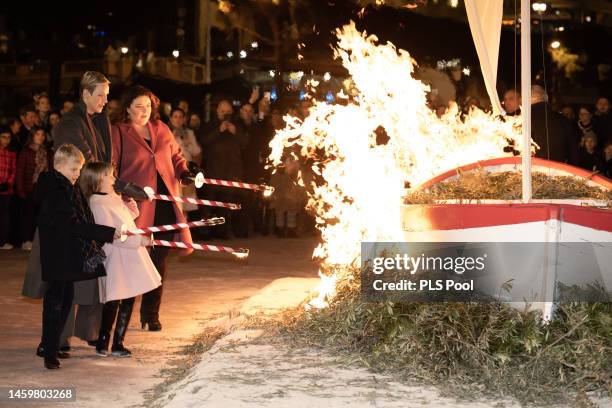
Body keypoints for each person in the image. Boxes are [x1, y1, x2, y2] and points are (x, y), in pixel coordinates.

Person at [111, 85, 193, 331]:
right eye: (138, 106)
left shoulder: (161, 128)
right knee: (136, 260)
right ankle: (120, 317)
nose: (144, 111)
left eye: (147, 106)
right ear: (127, 109)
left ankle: (151, 313)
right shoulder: (119, 131)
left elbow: (176, 156)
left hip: (165, 204)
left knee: (159, 260)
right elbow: (112, 165)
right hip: (137, 207)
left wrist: (185, 172)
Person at [36, 144, 118, 369]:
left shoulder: (67, 187)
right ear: (59, 165)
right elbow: (72, 224)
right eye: (74, 169)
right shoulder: (55, 191)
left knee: (63, 302)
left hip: (66, 256)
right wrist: (107, 233)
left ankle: (47, 346)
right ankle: (49, 351)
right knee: (56, 304)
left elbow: (81, 219)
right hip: (58, 257)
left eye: (79, 169)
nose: (77, 174)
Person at [80, 162, 161, 357]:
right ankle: (103, 341)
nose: (114, 178)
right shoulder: (96, 203)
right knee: (114, 298)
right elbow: (113, 235)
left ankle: (118, 342)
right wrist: (140, 241)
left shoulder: (113, 196)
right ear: (99, 180)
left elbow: (128, 219)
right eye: (110, 176)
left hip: (130, 255)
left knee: (130, 296)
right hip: (116, 256)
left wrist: (130, 204)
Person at [197, 100, 247, 238]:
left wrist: (235, 132)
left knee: (226, 204)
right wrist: (218, 131)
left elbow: (245, 143)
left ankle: (223, 231)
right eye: (222, 111)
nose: (225, 114)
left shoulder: (236, 125)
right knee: (209, 203)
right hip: (214, 170)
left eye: (228, 112)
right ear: (217, 111)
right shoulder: (209, 125)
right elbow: (203, 142)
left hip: (232, 171)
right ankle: (207, 232)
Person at [16, 127, 53, 251]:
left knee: (43, 215)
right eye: (38, 134)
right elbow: (20, 171)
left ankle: (41, 240)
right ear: (32, 135)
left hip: (44, 188)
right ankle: (27, 240)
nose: (40, 137)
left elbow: (51, 169)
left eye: (42, 134)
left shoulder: (47, 151)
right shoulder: (26, 151)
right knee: (29, 216)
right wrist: (20, 189)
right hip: (30, 187)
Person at [530, 85, 575, 163]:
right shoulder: (563, 120)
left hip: (533, 169)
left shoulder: (524, 119)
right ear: (546, 98)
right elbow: (573, 152)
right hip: (559, 170)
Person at [0, 127, 17, 250]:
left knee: (4, 216)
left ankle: (3, 241)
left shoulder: (12, 153)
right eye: (3, 137)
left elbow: (14, 170)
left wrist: (8, 182)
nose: (6, 140)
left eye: (8, 137)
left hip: (7, 189)